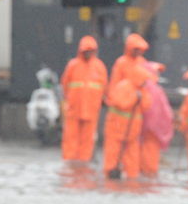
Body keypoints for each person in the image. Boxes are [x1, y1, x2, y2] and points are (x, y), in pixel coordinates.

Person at [60, 36, 108, 164]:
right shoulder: (73, 65)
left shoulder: (99, 67)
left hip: (91, 111)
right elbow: (65, 84)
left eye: (91, 51)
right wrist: (71, 100)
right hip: (74, 110)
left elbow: (103, 88)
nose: (88, 53)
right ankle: (70, 163)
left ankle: (84, 163)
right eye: (86, 51)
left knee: (87, 140)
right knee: (70, 138)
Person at [103, 64, 152, 179]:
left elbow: (146, 105)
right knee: (112, 156)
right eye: (144, 79)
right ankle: (110, 177)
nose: (146, 82)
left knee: (133, 159)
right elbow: (120, 103)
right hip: (116, 130)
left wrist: (140, 98)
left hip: (133, 132)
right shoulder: (123, 87)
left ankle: (132, 179)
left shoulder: (142, 90)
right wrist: (134, 98)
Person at [139, 61, 173, 178]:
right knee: (150, 165)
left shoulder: (144, 86)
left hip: (144, 131)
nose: (158, 74)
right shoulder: (154, 88)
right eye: (157, 71)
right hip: (153, 132)